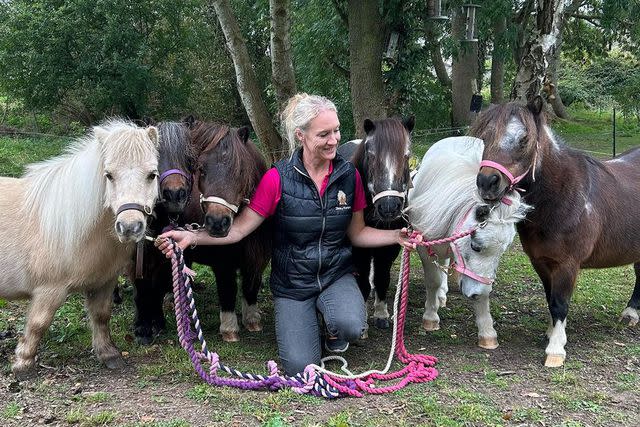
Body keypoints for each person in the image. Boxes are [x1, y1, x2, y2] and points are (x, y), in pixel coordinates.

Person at [156, 93, 420, 376]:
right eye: (324, 134)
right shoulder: (277, 178)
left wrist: (396, 237)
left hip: (334, 274)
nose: (334, 140)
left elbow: (357, 234)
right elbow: (241, 228)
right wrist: (191, 237)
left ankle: (331, 321)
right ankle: (308, 316)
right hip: (293, 284)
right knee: (299, 366)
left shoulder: (348, 176)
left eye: (336, 131)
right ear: (301, 135)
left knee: (352, 325)